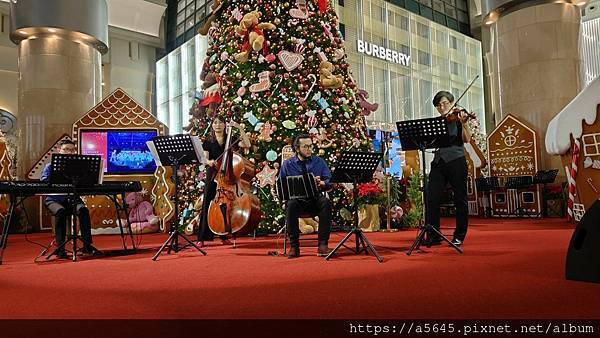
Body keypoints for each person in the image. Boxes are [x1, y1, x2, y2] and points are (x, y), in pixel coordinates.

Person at [425, 91, 473, 247]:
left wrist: (465, 123)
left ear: (452, 103)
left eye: (445, 103)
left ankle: (459, 235)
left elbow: (467, 139)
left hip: (456, 160)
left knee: (460, 199)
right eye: (438, 105)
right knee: (431, 197)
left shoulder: (459, 118)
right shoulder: (438, 122)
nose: (442, 106)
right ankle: (434, 234)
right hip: (439, 161)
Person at [197, 115, 251, 247]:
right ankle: (202, 237)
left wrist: (239, 128)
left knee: (225, 205)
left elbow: (247, 144)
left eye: (220, 123)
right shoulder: (208, 141)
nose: (218, 125)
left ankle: (223, 234)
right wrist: (209, 162)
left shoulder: (230, 139)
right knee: (207, 205)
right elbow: (205, 159)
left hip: (227, 174)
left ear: (225, 125)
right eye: (215, 123)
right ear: (212, 125)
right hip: (213, 174)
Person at [40, 139, 96, 258]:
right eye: (66, 149)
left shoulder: (78, 169)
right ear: (59, 150)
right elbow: (44, 182)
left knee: (83, 211)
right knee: (61, 212)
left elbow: (86, 181)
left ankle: (87, 246)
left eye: (72, 150)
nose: (69, 152)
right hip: (53, 199)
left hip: (72, 199)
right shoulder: (49, 166)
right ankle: (61, 249)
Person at [279, 134, 333, 258]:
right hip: (297, 201)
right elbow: (280, 184)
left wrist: (322, 183)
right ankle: (294, 246)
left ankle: (323, 245)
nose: (309, 149)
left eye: (310, 146)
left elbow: (330, 181)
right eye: (306, 147)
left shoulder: (319, 162)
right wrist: (279, 191)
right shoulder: (288, 164)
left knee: (325, 202)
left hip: (314, 199)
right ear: (297, 149)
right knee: (291, 204)